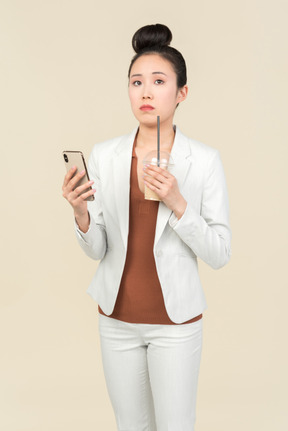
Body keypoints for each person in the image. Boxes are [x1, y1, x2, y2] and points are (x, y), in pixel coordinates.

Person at [62, 23, 231, 431]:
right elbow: (99, 247)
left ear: (181, 92)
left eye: (159, 81)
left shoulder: (204, 160)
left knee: (175, 426)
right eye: (136, 82)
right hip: (116, 319)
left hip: (176, 323)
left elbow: (220, 253)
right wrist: (81, 213)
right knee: (130, 426)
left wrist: (178, 203)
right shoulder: (105, 155)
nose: (146, 92)